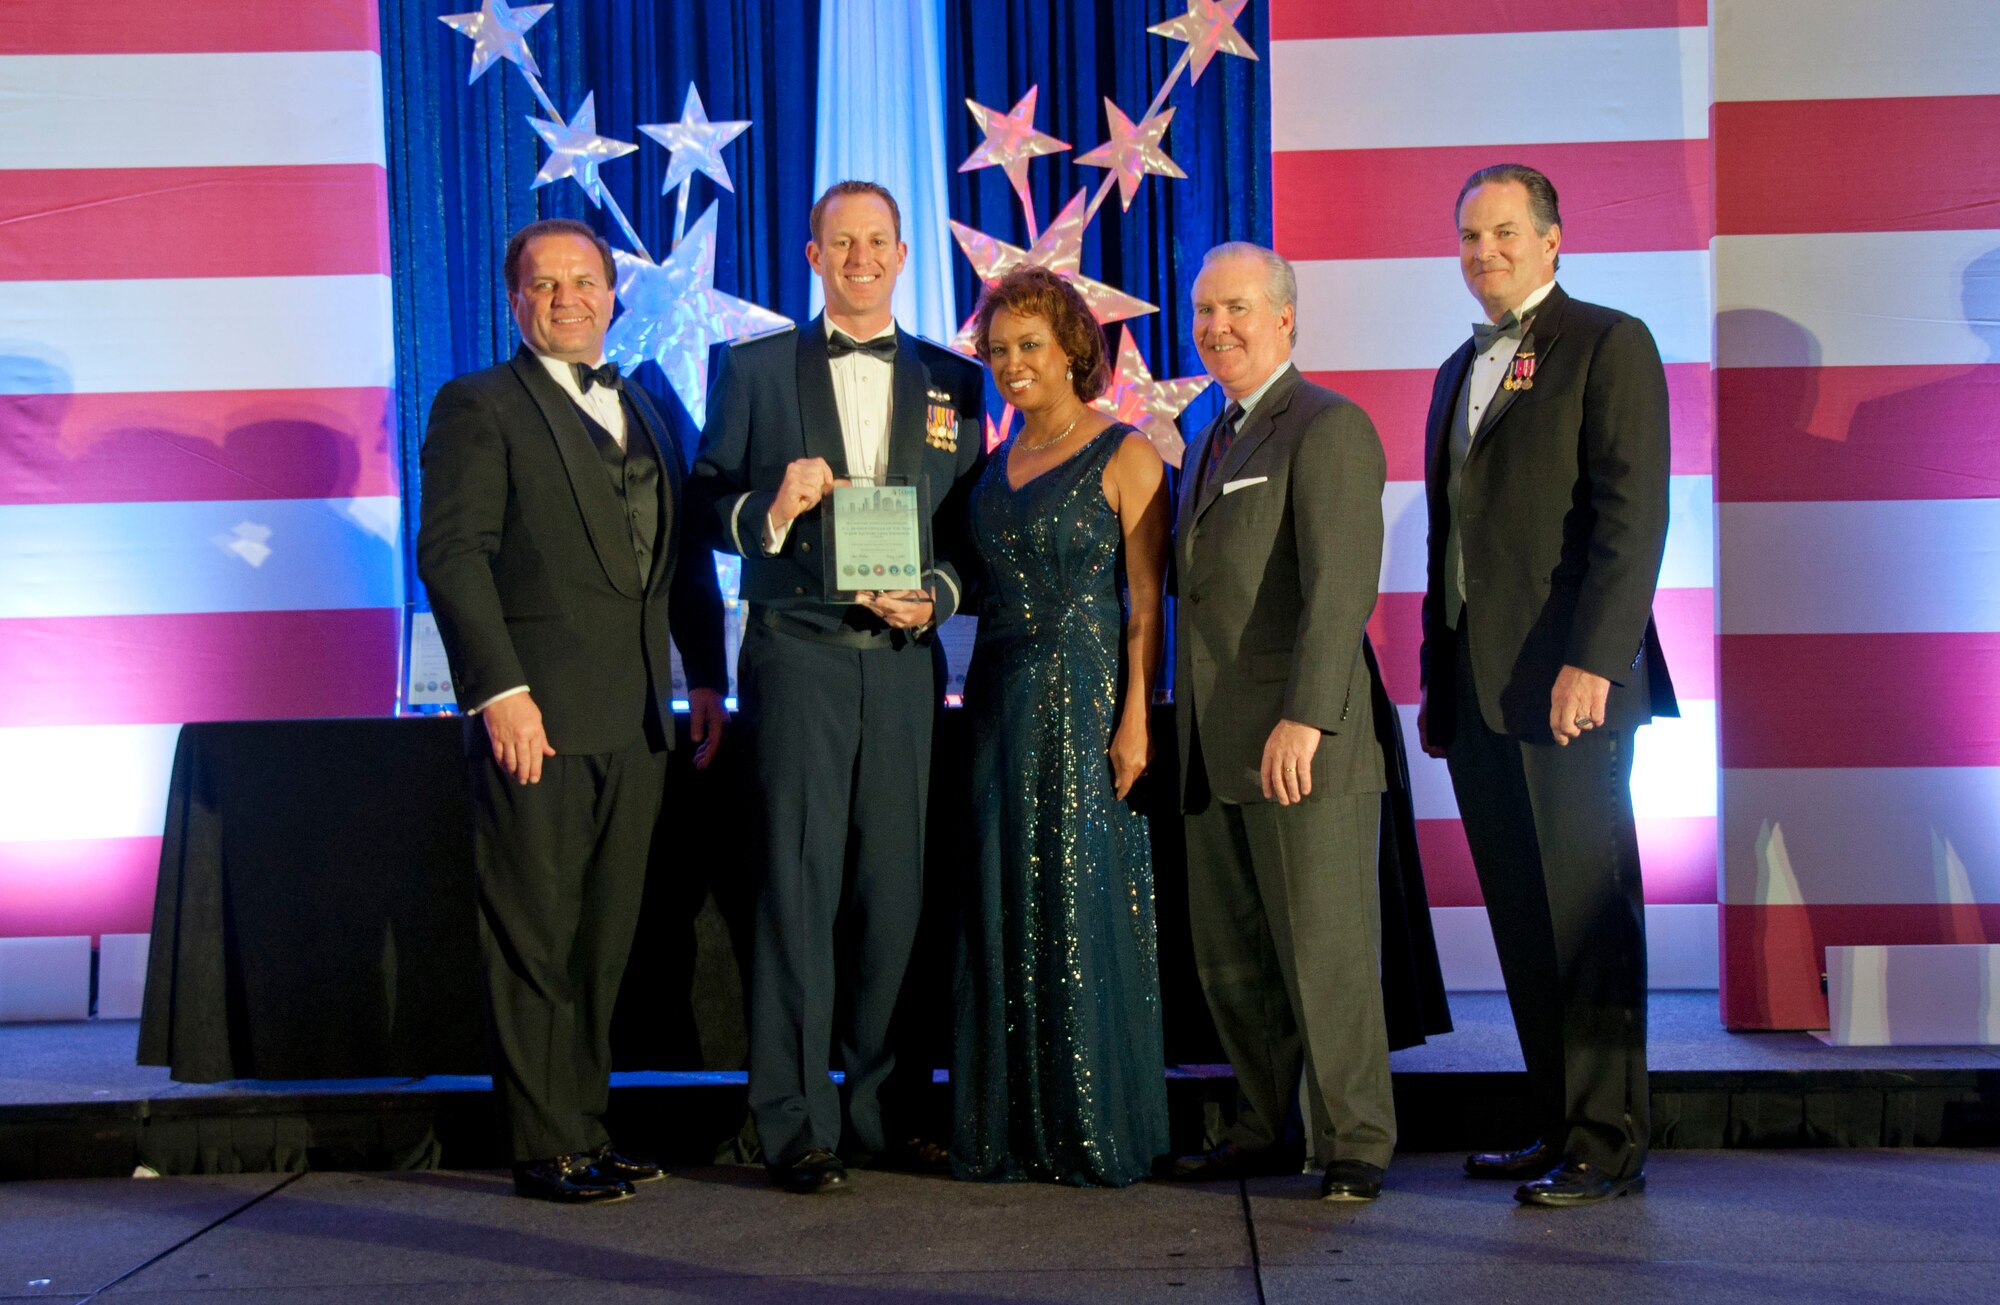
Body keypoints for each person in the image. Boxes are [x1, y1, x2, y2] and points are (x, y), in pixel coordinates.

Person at [416, 217, 728, 1204]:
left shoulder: (645, 401)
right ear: (515, 301)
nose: (566, 298)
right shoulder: (476, 405)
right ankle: (545, 1144)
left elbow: (676, 560)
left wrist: (707, 675)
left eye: (582, 281)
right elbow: (452, 555)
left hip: (637, 718)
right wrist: (498, 693)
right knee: (534, 934)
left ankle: (583, 1128)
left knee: (600, 938)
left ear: (609, 292)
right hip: (535, 718)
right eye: (543, 285)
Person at [688, 181, 985, 1195]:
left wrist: (939, 595)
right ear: (811, 253)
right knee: (796, 894)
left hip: (903, 669)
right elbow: (702, 501)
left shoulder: (955, 380)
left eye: (876, 240)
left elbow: (971, 534)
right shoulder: (753, 368)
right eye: (840, 241)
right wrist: (768, 509)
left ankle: (884, 1114)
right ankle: (793, 1124)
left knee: (894, 897)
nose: (859, 256)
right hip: (797, 656)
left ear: (903, 254)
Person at [1419, 163, 1676, 1207]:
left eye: (1504, 233)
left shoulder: (1607, 342)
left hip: (1570, 684)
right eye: (1470, 236)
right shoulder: (1453, 367)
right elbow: (1454, 544)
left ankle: (1607, 1141)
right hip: (1479, 693)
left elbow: (1629, 520)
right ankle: (1554, 1121)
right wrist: (1438, 686)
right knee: (1523, 918)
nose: (1485, 251)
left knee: (1585, 914)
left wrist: (1595, 660)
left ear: (1552, 239)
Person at [1170, 242, 1397, 1201]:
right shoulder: (1205, 432)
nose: (1217, 325)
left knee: (1328, 951)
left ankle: (1356, 1141)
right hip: (1213, 743)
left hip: (1301, 744)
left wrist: (1307, 716)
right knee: (1240, 958)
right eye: (1204, 309)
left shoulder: (1329, 425)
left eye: (1236, 308)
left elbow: (1341, 591)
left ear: (1284, 317)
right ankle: (1268, 1126)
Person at [951, 267, 1172, 1187]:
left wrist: (1136, 721)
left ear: (1073, 348)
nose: (1012, 364)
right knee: (1003, 900)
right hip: (997, 702)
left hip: (1086, 701)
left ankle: (1090, 1123)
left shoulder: (1127, 452)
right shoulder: (988, 465)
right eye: (998, 350)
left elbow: (1148, 603)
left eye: (1029, 345)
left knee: (1081, 903)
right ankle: (1008, 1128)